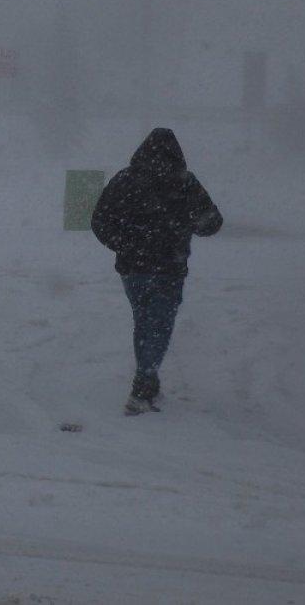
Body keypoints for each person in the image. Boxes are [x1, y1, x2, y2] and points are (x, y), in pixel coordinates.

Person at [91, 128, 223, 415]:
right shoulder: (185, 183)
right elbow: (212, 222)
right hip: (169, 266)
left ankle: (146, 379)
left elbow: (100, 220)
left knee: (144, 320)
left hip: (133, 268)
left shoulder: (125, 179)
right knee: (160, 323)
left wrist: (125, 244)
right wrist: (188, 223)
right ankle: (145, 381)